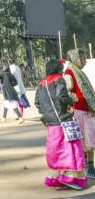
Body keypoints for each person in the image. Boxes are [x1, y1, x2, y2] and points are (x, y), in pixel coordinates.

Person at [34, 58, 86, 190]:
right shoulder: (59, 79)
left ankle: (58, 177)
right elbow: (61, 96)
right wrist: (71, 102)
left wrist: (47, 114)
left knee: (56, 150)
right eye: (61, 68)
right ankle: (69, 178)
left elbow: (37, 103)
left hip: (51, 123)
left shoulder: (41, 83)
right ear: (58, 69)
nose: (63, 70)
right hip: (63, 120)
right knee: (72, 148)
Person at [64, 49, 95, 179]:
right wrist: (77, 99)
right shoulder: (69, 73)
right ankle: (85, 167)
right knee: (84, 140)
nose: (85, 61)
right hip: (79, 111)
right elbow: (67, 92)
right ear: (76, 59)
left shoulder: (79, 72)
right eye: (82, 59)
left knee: (91, 138)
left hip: (87, 110)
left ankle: (90, 165)